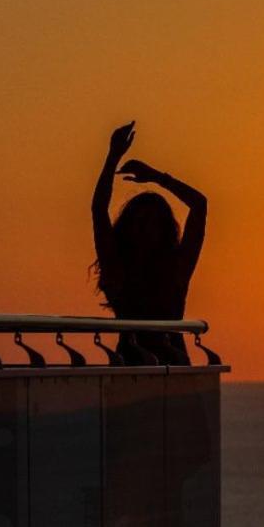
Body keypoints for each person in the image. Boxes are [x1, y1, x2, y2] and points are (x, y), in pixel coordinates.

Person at [91, 120, 207, 364]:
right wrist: (112, 158)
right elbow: (99, 211)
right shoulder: (118, 268)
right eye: (141, 223)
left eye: (153, 223)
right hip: (134, 366)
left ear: (164, 230)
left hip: (169, 366)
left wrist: (157, 177)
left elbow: (200, 205)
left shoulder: (175, 269)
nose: (145, 230)